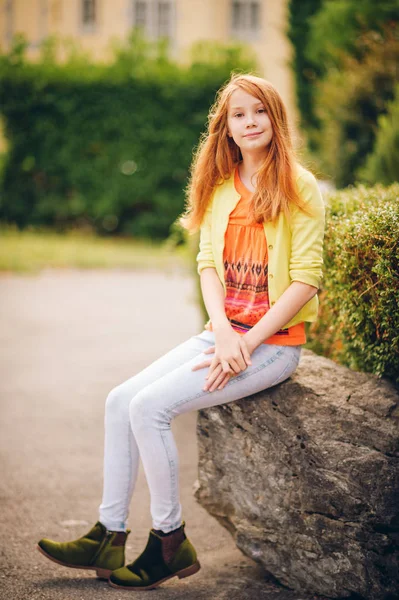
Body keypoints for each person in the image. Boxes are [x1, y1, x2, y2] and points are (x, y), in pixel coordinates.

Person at [37, 73, 325, 591]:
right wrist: (222, 331)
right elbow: (208, 262)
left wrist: (246, 342)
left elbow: (305, 279)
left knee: (151, 408)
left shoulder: (299, 186)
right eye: (239, 114)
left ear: (275, 120)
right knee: (120, 400)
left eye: (259, 111)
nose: (250, 121)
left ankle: (170, 541)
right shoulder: (219, 185)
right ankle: (108, 532)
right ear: (227, 128)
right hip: (223, 334)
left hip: (272, 347)